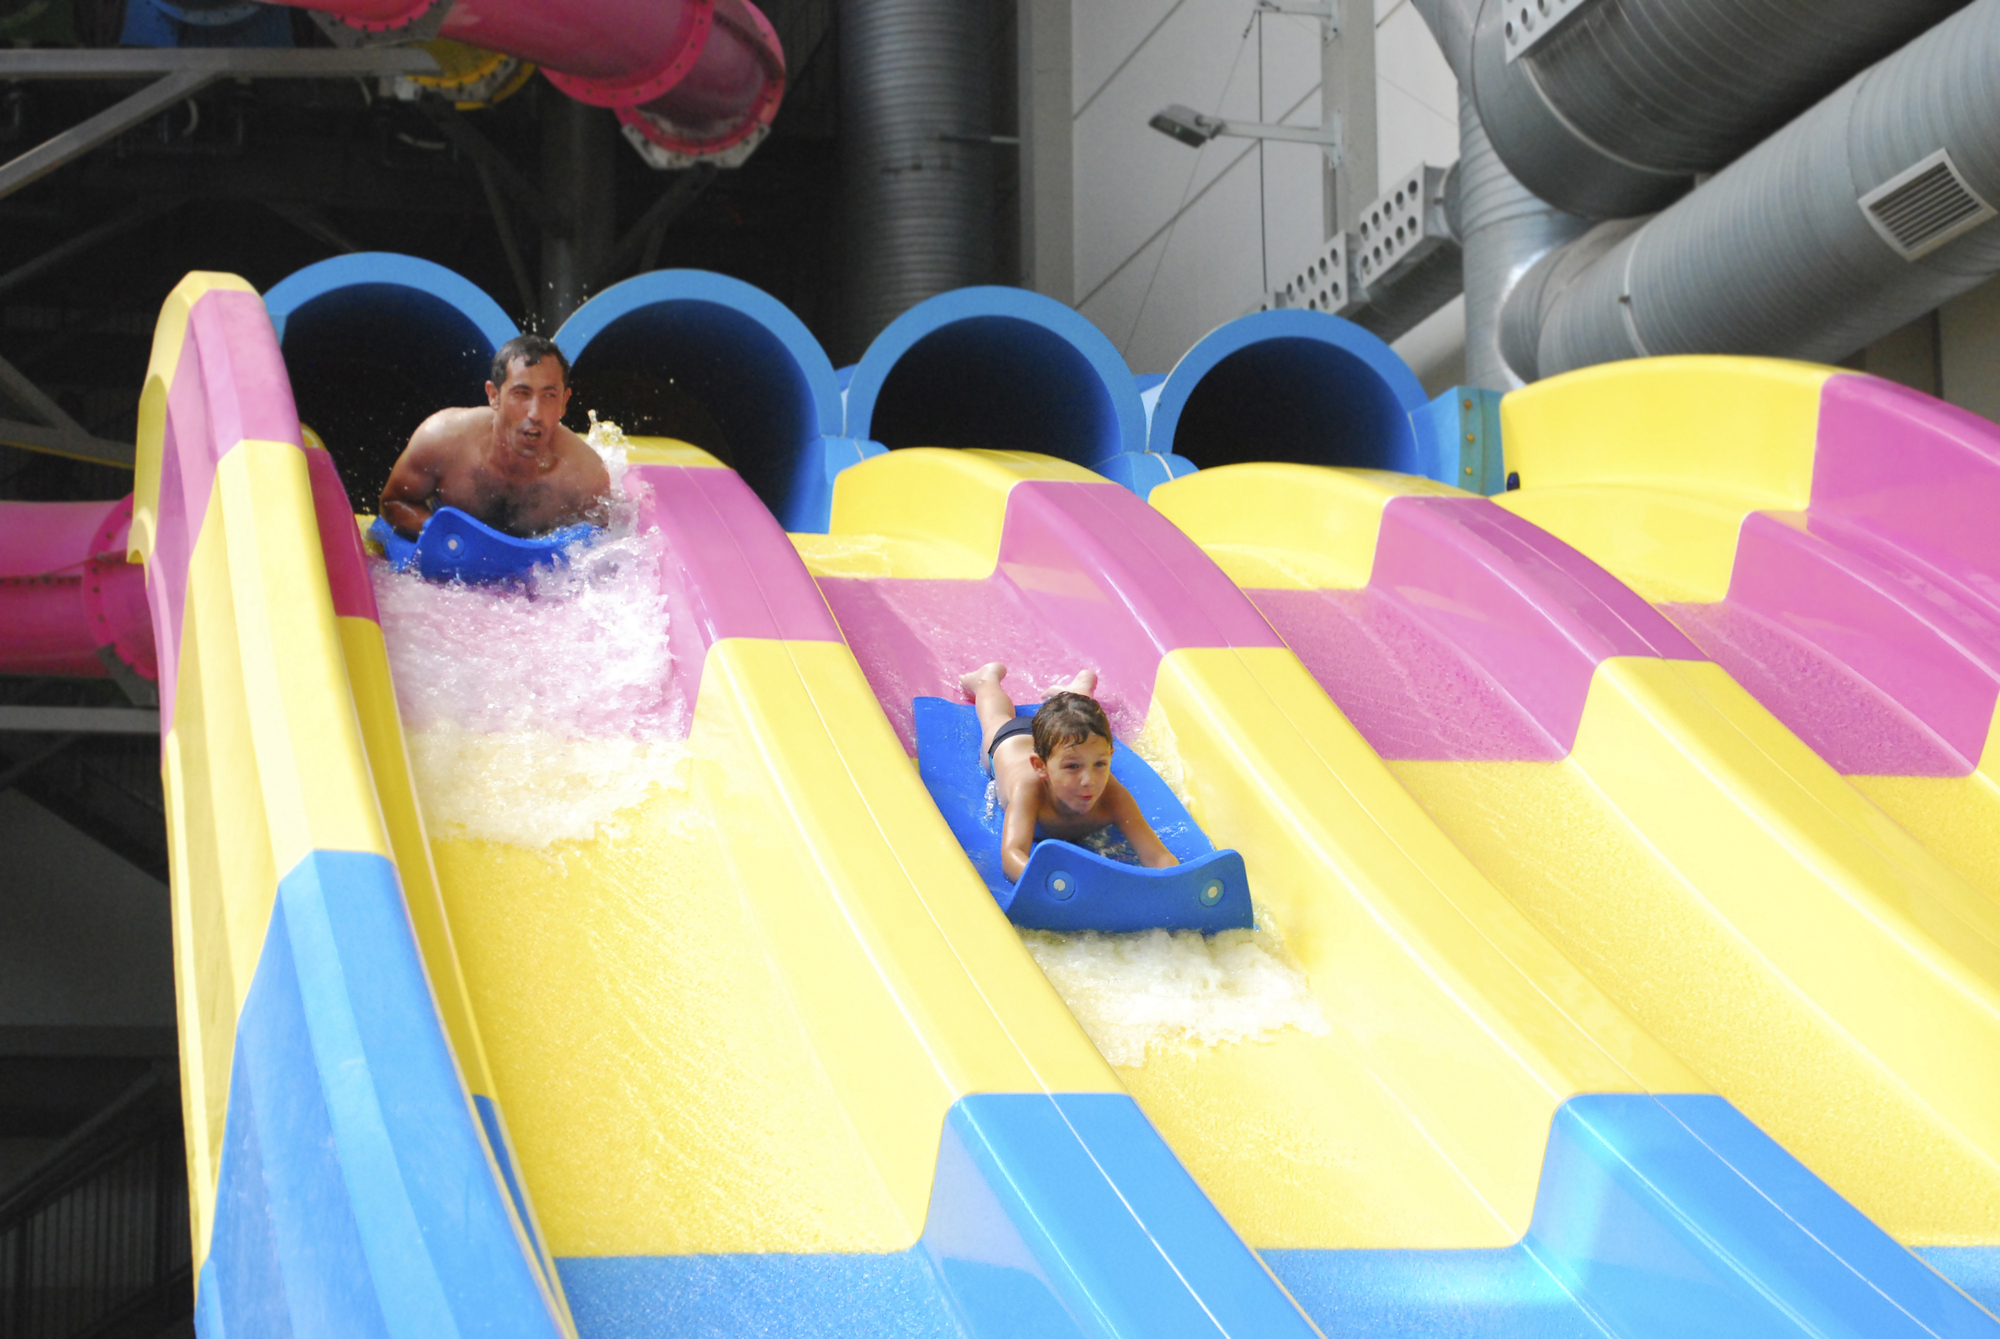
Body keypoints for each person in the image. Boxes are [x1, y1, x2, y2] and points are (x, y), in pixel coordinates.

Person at [959, 662, 1179, 882]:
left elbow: (1158, 856)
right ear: (1040, 767)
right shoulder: (1028, 789)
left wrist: (1174, 883)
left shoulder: (1113, 796)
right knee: (995, 719)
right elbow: (1012, 855)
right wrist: (1052, 886)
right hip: (1012, 741)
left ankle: (1079, 690)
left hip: (1065, 741)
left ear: (1110, 756)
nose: (1088, 780)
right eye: (1073, 767)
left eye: (1100, 764)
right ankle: (985, 681)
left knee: (1082, 722)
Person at [378, 334, 610, 540]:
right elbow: (393, 502)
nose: (535, 413)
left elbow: (603, 548)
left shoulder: (586, 475)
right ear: (493, 396)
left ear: (564, 402)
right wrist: (441, 535)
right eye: (521, 393)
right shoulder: (443, 439)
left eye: (549, 395)